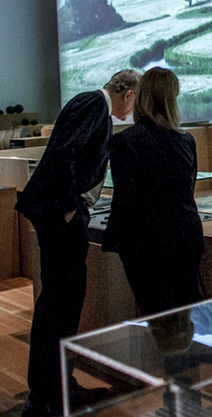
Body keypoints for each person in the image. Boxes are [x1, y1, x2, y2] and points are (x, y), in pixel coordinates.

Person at [15, 69, 141, 417]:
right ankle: (46, 396)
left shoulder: (91, 105)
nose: (133, 110)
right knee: (60, 304)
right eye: (135, 100)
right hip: (59, 216)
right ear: (127, 94)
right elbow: (63, 157)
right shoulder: (93, 105)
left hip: (57, 214)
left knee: (62, 303)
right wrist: (72, 210)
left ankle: (57, 388)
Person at [102, 67, 204, 317]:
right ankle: (186, 356)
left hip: (146, 247)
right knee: (184, 316)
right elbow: (188, 190)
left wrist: (112, 240)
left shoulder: (125, 141)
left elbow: (125, 200)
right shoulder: (186, 139)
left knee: (158, 320)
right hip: (187, 240)